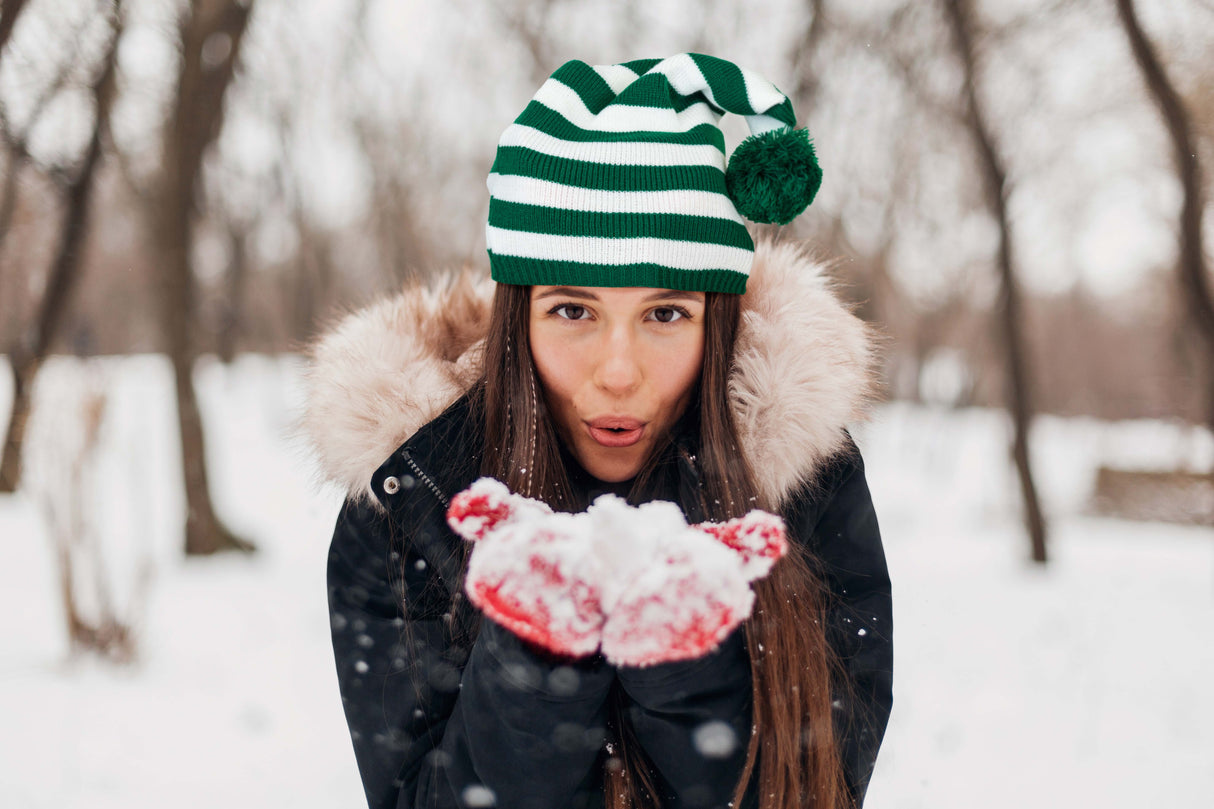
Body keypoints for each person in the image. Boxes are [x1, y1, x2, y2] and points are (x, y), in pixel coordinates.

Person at [303, 54, 892, 809]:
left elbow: (822, 790)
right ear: (520, 317)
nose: (618, 371)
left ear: (717, 325)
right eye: (574, 311)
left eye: (666, 313)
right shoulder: (411, 503)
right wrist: (534, 661)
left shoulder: (808, 489)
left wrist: (686, 668)